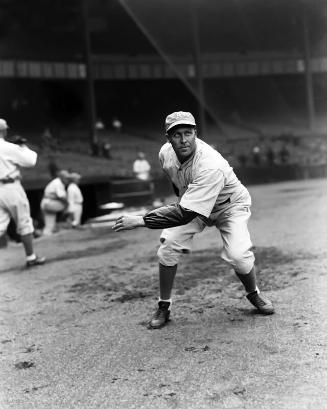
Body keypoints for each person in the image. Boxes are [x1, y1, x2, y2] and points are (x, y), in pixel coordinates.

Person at [113, 111, 274, 329]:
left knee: (238, 255)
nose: (183, 139)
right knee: (168, 246)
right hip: (193, 204)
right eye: (177, 134)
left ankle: (253, 293)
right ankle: (163, 306)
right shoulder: (165, 153)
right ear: (168, 138)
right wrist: (183, 199)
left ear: (195, 133)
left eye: (188, 133)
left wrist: (142, 220)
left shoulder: (210, 164)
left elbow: (185, 213)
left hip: (229, 206)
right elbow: (178, 186)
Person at [0, 118, 45, 267]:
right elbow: (31, 161)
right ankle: (31, 257)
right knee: (24, 222)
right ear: (4, 130)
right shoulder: (8, 147)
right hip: (11, 187)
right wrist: (22, 146)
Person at [40, 170, 70, 235]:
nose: (67, 180)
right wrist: (67, 206)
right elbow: (62, 197)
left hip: (47, 203)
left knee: (49, 226)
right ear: (61, 177)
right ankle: (66, 219)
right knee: (69, 205)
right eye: (66, 178)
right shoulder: (58, 183)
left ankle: (46, 237)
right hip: (49, 204)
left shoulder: (57, 182)